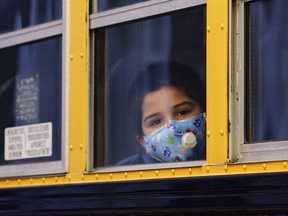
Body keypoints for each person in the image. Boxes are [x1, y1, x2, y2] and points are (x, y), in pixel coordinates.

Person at [116, 61, 206, 165]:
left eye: (182, 112)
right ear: (142, 141)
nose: (171, 127)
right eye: (156, 122)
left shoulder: (228, 154)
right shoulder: (127, 174)